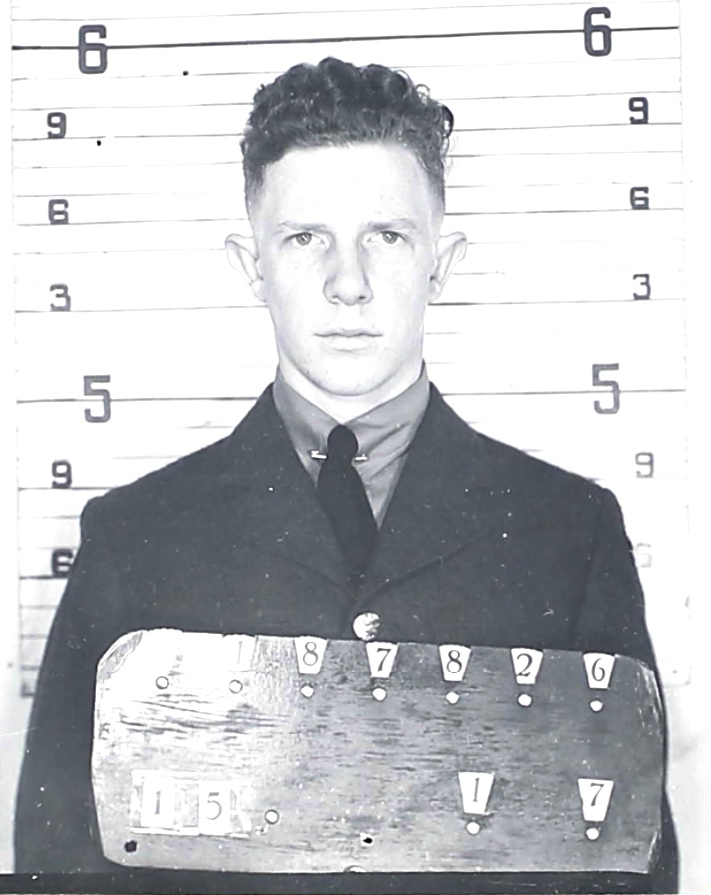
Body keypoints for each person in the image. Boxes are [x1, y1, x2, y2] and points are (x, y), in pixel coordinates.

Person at [15, 57, 677, 892]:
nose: (347, 284)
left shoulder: (570, 532)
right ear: (251, 265)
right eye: (305, 238)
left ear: (441, 262)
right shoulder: (133, 536)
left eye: (386, 237)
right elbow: (58, 864)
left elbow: (630, 862)